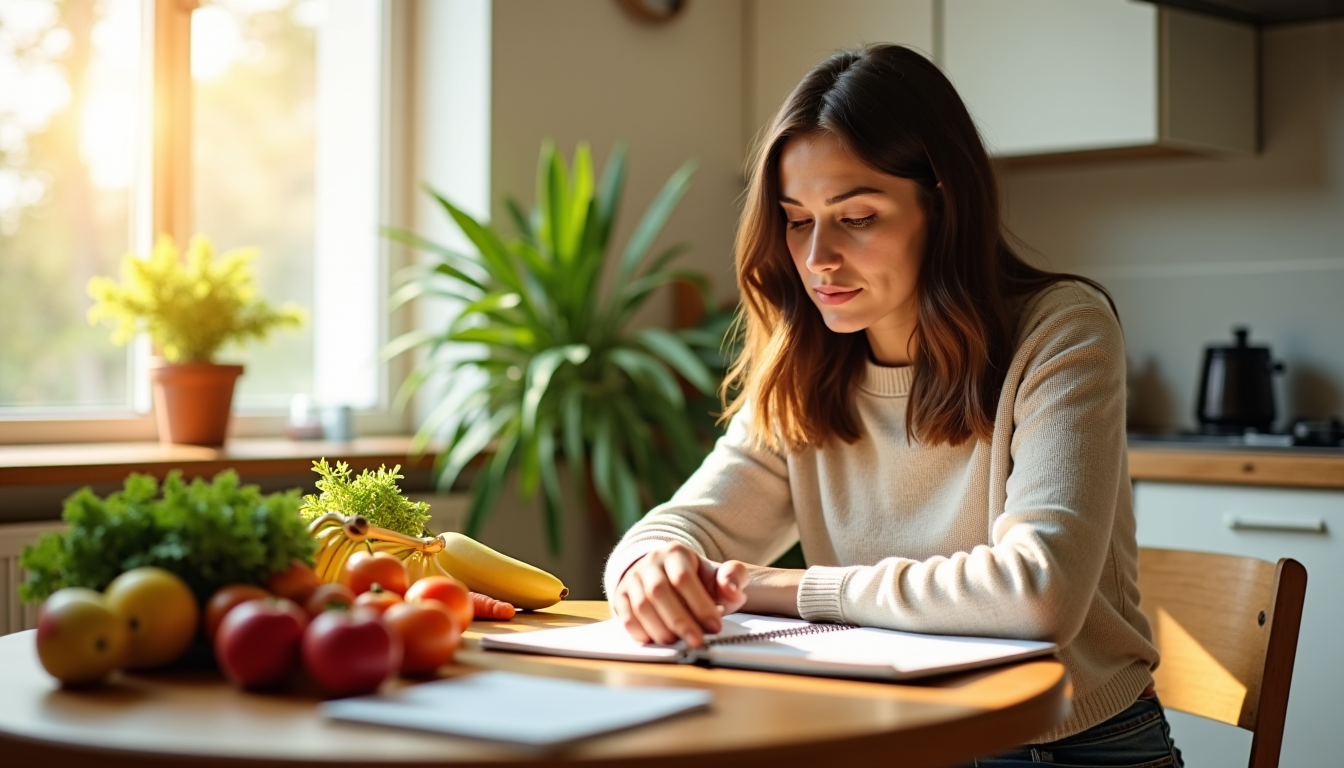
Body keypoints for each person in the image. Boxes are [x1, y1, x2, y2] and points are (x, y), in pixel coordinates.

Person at [603, 45, 1182, 767]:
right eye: (795, 218)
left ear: (943, 207)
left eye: (857, 217)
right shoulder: (806, 361)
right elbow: (683, 527)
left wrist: (777, 589)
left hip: (1059, 745)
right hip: (891, 727)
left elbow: (1037, 593)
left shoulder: (1060, 328)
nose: (817, 258)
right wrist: (650, 568)